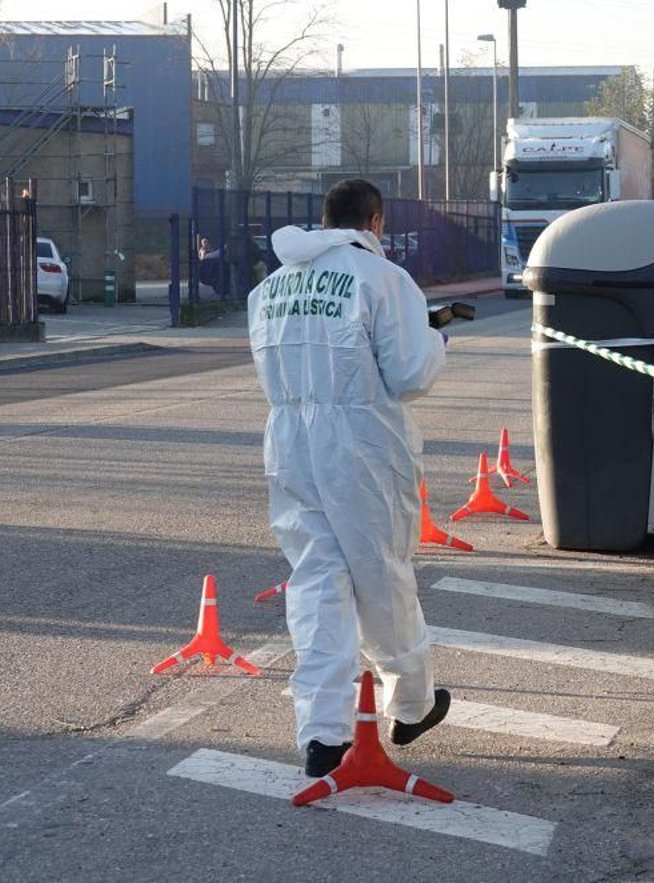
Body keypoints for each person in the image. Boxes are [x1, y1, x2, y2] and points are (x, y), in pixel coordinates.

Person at [247, 179, 451, 778]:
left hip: (290, 441)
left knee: (316, 580)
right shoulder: (382, 279)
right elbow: (408, 374)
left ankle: (321, 732)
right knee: (381, 573)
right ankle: (411, 703)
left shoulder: (271, 287)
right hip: (361, 445)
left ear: (325, 220)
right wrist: (436, 340)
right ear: (376, 222)